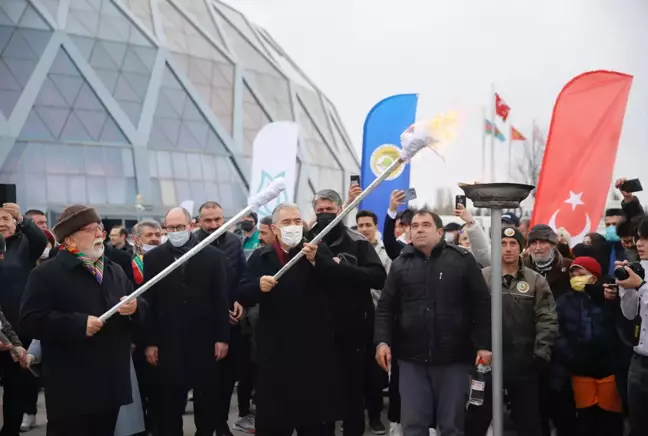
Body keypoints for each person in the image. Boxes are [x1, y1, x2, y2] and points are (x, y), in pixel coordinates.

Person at [19, 205, 139, 436]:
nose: (99, 234)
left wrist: (134, 308)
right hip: (71, 387)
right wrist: (78, 324)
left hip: (110, 383)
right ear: (69, 239)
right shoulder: (46, 274)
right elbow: (30, 320)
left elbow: (137, 306)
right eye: (90, 229)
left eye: (100, 228)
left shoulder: (114, 270)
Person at [375, 208, 491, 436]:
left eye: (425, 225)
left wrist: (484, 344)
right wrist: (382, 341)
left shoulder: (462, 260)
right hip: (411, 360)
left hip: (454, 359)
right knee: (413, 425)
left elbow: (481, 305)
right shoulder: (400, 264)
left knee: (451, 425)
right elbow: (385, 308)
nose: (419, 229)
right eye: (415, 226)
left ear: (439, 232)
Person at [238, 203, 343, 436]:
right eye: (287, 222)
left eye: (297, 221)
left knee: (315, 422)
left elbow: (338, 283)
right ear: (274, 229)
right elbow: (242, 292)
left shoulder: (316, 250)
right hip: (275, 353)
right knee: (275, 422)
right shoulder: (261, 256)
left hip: (314, 352)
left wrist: (318, 261)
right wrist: (258, 286)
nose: (293, 226)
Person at [143, 207, 230, 436]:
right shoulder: (153, 258)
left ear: (191, 225)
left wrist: (222, 337)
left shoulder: (213, 256)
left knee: (206, 400)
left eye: (180, 227)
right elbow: (149, 302)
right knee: (169, 404)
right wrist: (150, 342)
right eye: (171, 228)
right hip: (168, 340)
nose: (176, 231)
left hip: (204, 339)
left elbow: (221, 300)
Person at [467, 227, 557, 436]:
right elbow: (471, 317)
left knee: (529, 422)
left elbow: (547, 319)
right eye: (502, 243)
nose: (507, 249)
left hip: (523, 361)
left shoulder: (535, 281)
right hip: (486, 362)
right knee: (476, 418)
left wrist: (541, 353)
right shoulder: (484, 277)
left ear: (521, 247)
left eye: (513, 243)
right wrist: (478, 348)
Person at [310, 190, 387, 436]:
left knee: (352, 395)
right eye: (319, 211)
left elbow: (378, 277)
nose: (324, 215)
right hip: (316, 332)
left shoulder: (358, 241)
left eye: (329, 210)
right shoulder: (306, 241)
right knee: (320, 396)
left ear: (341, 209)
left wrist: (342, 267)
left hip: (353, 332)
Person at [196, 201, 249, 436]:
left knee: (227, 381)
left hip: (232, 324)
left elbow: (242, 276)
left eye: (217, 219)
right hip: (203, 325)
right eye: (208, 220)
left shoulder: (234, 242)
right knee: (204, 382)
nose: (213, 224)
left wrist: (241, 301)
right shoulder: (192, 244)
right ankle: (204, 428)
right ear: (199, 222)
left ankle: (221, 422)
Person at [555, 256, 624, 436]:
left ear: (594, 276)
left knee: (610, 423)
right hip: (579, 372)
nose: (576, 276)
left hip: (608, 373)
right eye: (573, 273)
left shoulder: (609, 297)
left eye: (581, 273)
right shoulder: (564, 301)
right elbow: (557, 333)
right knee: (584, 423)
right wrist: (571, 357)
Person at [0, 202, 47, 435]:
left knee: (15, 386)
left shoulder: (25, 245)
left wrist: (22, 218)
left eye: (6, 219)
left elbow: (41, 239)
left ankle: (10, 429)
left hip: (17, 330)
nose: (1, 223)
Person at [356, 209, 391, 434]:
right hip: (355, 318)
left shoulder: (385, 252)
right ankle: (354, 416)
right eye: (360, 225)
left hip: (377, 317)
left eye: (368, 225)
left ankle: (376, 416)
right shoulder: (353, 249)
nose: (364, 229)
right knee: (354, 370)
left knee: (375, 372)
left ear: (375, 226)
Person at [617, 216, 648, 435]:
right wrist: (627, 288)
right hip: (639, 361)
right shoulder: (640, 269)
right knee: (637, 424)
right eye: (638, 238)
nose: (640, 243)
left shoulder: (642, 278)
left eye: (646, 238)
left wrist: (641, 286)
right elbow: (629, 314)